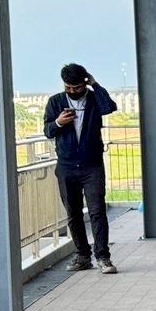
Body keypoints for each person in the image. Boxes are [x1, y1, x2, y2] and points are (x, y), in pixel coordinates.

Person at [44, 63, 118, 274]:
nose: (73, 91)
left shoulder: (94, 99)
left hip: (92, 165)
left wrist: (95, 85)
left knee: (97, 211)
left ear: (85, 83)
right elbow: (48, 131)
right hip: (66, 165)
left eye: (77, 87)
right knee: (73, 213)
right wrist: (59, 122)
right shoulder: (56, 102)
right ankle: (82, 255)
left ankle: (103, 257)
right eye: (68, 87)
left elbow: (109, 107)